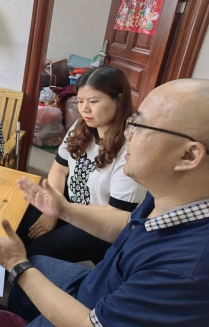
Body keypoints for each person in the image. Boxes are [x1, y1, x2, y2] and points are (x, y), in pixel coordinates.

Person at [0, 78, 209, 326]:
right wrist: (63, 209)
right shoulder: (170, 194)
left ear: (188, 156)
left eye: (140, 126)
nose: (129, 134)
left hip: (92, 311)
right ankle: (20, 315)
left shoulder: (191, 267)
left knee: (29, 262)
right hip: (97, 282)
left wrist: (16, 265)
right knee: (34, 255)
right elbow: (125, 226)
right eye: (131, 123)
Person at [16, 66, 146, 264]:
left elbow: (118, 214)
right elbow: (59, 169)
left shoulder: (130, 148)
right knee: (18, 228)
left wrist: (61, 210)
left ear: (118, 100)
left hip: (98, 223)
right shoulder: (82, 126)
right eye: (80, 101)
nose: (84, 109)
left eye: (93, 101)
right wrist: (54, 205)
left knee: (35, 253)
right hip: (66, 203)